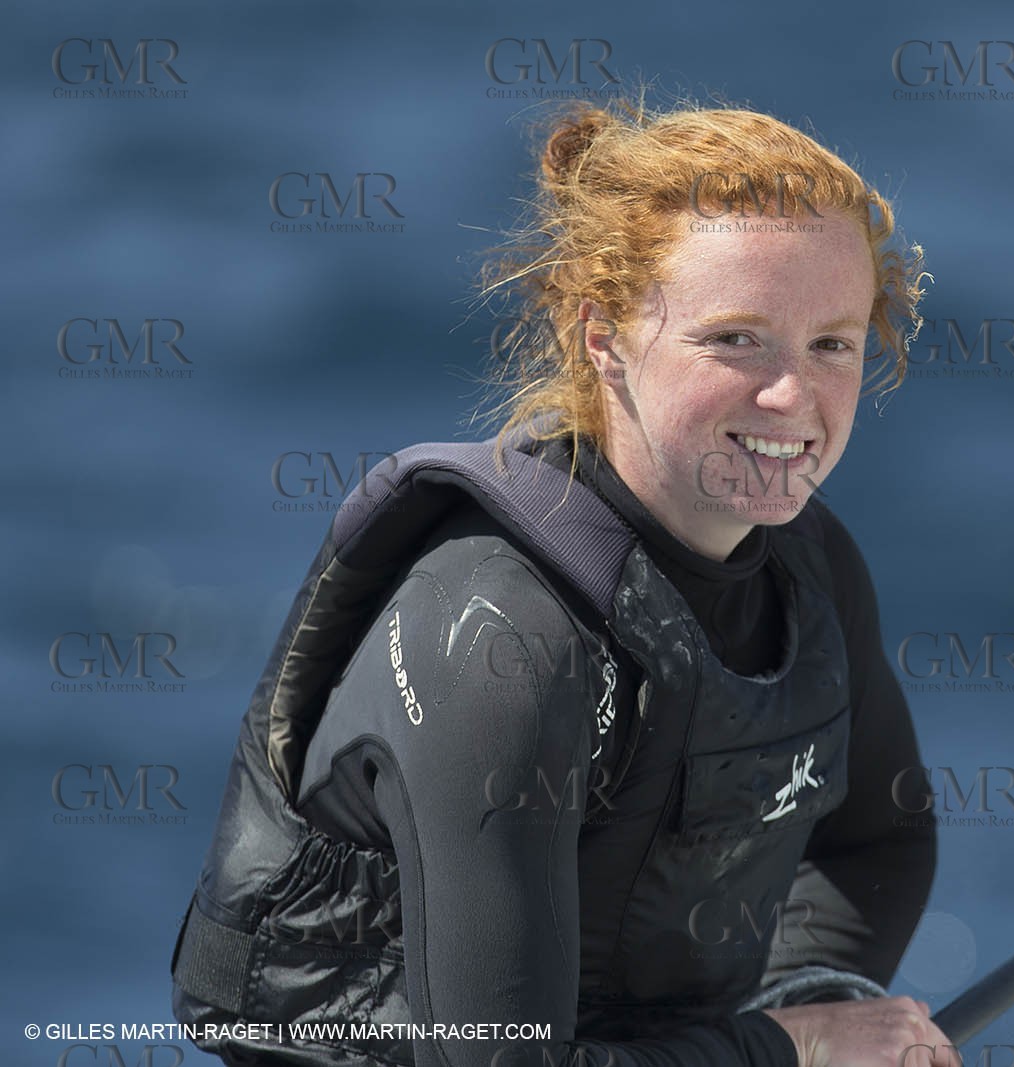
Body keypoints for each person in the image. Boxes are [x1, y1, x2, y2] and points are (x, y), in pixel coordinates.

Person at [170, 94, 949, 1067]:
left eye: (832, 343)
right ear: (603, 336)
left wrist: (813, 1004)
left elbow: (877, 843)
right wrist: (785, 1048)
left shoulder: (810, 563)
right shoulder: (500, 633)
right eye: (735, 338)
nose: (794, 394)